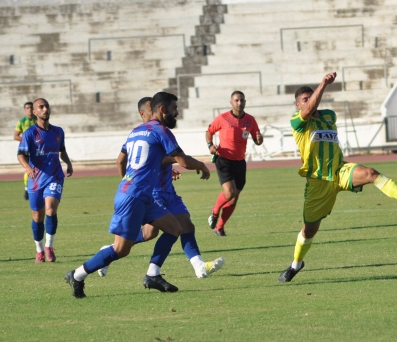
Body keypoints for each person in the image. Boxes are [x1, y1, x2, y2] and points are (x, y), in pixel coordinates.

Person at [278, 72, 397, 282]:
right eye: (305, 99)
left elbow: (315, 110)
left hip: (341, 171)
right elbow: (308, 110)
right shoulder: (297, 121)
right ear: (298, 105)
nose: (309, 101)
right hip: (318, 181)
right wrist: (323, 83)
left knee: (371, 174)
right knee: (309, 231)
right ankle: (296, 264)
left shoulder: (329, 116)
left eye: (310, 97)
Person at [64, 92, 211, 299]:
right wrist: (202, 166)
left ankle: (153, 274)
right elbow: (183, 160)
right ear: (162, 110)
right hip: (134, 197)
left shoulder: (136, 131)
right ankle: (77, 275)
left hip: (140, 195)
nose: (176, 112)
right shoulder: (161, 130)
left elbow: (121, 161)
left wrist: (130, 181)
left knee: (175, 228)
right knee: (121, 250)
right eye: (174, 109)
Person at [97, 97, 224, 279]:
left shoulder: (158, 131)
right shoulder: (144, 133)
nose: (155, 114)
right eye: (151, 110)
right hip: (152, 193)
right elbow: (133, 160)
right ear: (143, 113)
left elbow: (155, 158)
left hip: (168, 190)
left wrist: (168, 167)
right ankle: (109, 253)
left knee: (186, 225)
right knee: (149, 233)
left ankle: (199, 266)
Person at [17, 98, 73, 263]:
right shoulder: (29, 134)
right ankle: (39, 249)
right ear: (35, 112)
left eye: (46, 106)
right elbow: (21, 155)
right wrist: (28, 168)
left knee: (50, 210)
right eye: (41, 107)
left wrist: (68, 163)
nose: (45, 109)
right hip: (36, 180)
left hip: (55, 176)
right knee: (37, 216)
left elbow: (62, 151)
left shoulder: (58, 132)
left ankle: (49, 246)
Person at [206, 91, 263, 236]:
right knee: (229, 192)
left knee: (234, 197)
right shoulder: (223, 118)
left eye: (242, 100)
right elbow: (209, 131)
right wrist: (210, 146)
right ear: (231, 102)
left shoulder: (250, 120)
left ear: (245, 102)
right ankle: (214, 211)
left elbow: (257, 140)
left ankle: (219, 227)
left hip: (239, 162)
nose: (239, 103)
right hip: (223, 159)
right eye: (236, 100)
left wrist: (259, 139)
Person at [14, 101, 37, 200]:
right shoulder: (22, 121)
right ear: (25, 110)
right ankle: (27, 188)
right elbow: (15, 136)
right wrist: (26, 141)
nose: (30, 110)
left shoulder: (38, 120)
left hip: (37, 150)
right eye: (27, 108)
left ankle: (35, 188)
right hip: (27, 150)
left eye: (31, 108)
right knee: (29, 168)